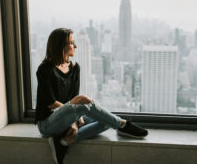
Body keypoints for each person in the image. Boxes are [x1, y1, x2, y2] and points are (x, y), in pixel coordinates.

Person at [35, 28, 148, 164]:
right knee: (84, 101)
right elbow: (51, 103)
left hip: (68, 115)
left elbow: (73, 97)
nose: (75, 46)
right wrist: (75, 119)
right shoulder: (44, 69)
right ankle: (122, 124)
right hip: (48, 123)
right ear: (60, 46)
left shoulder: (75, 67)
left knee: (106, 120)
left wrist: (75, 119)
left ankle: (64, 141)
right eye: (71, 43)